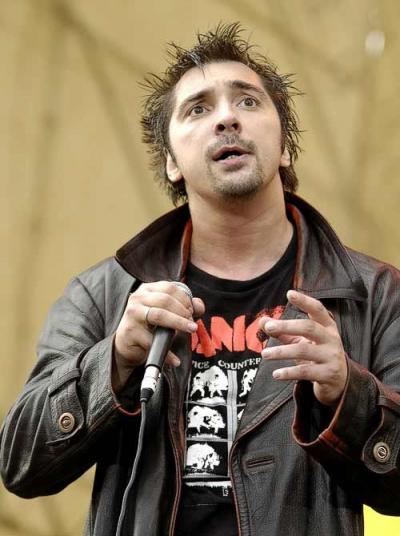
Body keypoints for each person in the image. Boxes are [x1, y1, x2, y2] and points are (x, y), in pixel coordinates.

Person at [1, 22, 400, 536]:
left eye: (248, 102)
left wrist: (349, 393)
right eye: (197, 109)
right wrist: (113, 362)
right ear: (171, 162)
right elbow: (21, 465)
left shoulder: (377, 293)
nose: (227, 118)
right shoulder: (105, 295)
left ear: (284, 147)